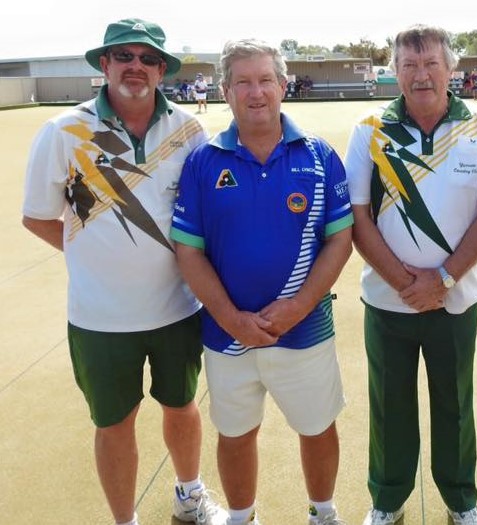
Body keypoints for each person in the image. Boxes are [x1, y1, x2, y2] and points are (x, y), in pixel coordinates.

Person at [21, 18, 227, 525]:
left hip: (178, 307)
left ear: (161, 70)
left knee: (182, 407)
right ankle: (124, 520)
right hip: (99, 318)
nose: (136, 66)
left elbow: (201, 213)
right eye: (124, 56)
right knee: (114, 423)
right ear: (105, 65)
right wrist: (90, 255)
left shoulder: (188, 128)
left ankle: (189, 496)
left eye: (147, 58)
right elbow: (36, 215)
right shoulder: (64, 130)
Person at [170, 38, 354, 525]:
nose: (257, 92)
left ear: (282, 85)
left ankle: (323, 513)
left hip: (305, 330)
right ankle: (241, 516)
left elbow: (340, 241)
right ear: (226, 91)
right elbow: (188, 249)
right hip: (227, 337)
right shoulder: (203, 160)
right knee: (235, 433)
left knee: (316, 428)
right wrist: (231, 318)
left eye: (266, 80)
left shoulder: (318, 156)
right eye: (244, 82)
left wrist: (299, 306)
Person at [345, 24, 477, 525]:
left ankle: (461, 501)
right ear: (394, 72)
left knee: (455, 404)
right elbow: (357, 216)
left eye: (431, 63)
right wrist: (405, 283)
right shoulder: (369, 128)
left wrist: (442, 280)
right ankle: (388, 500)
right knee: (390, 407)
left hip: (456, 299)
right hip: (387, 301)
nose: (421, 75)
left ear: (450, 69)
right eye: (409, 65)